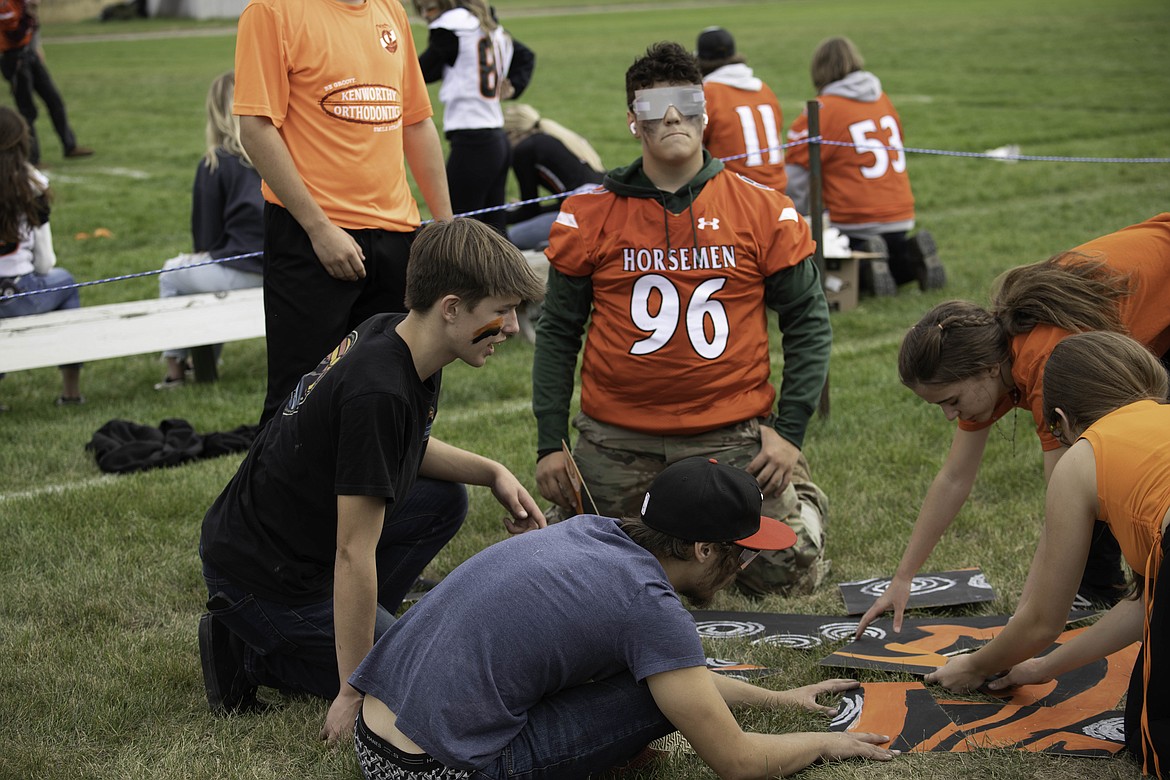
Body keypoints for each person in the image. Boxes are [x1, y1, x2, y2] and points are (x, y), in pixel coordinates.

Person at [197, 218, 548, 745]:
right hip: (267, 577)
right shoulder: (380, 391)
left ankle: (359, 634)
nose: (513, 327)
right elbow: (351, 553)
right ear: (451, 307)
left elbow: (395, 450)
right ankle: (250, 652)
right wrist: (353, 690)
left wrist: (491, 472)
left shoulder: (400, 333)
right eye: (500, 311)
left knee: (443, 500)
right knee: (423, 680)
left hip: (284, 546)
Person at [350, 456, 899, 779]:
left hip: (374, 733)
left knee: (656, 678)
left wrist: (780, 700)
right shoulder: (649, 607)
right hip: (428, 769)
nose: (746, 566)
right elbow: (739, 761)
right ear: (705, 550)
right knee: (653, 696)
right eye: (745, 553)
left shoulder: (588, 531)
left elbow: (680, 678)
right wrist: (825, 743)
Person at [532, 42, 832, 597]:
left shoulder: (762, 208)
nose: (672, 117)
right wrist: (551, 441)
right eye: (654, 107)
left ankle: (804, 498)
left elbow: (809, 323)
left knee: (785, 571)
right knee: (589, 576)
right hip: (618, 436)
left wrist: (787, 433)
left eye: (685, 103)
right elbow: (557, 333)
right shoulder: (591, 212)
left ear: (704, 111)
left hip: (728, 431)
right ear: (632, 121)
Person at [857, 212, 1170, 636]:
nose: (951, 416)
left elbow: (1064, 507)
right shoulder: (996, 361)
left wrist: (1024, 623)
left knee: (1109, 454)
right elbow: (954, 478)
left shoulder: (1047, 364)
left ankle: (1117, 582)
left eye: (951, 400)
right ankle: (1100, 586)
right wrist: (903, 578)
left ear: (987, 370)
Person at [925, 330, 1170, 778]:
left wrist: (976, 666)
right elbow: (1145, 607)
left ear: (1061, 417)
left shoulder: (1083, 456)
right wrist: (1039, 667)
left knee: (1150, 740)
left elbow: (1042, 620)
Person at [233, 0, 453, 426]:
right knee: (299, 403)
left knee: (400, 393)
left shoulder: (389, 9)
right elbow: (255, 128)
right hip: (312, 238)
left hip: (397, 236)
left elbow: (416, 122)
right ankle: (281, 495)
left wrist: (445, 226)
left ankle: (382, 494)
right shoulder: (271, 11)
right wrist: (318, 228)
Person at [784, 36, 943, 295]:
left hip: (855, 218)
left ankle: (869, 266)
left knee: (836, 255)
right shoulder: (882, 98)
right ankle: (908, 257)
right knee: (889, 253)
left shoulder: (825, 109)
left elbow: (796, 171)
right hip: (901, 214)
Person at [154, 71, 264, 390]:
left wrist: (200, 254)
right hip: (282, 267)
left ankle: (175, 370)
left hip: (245, 269)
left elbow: (206, 238)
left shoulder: (216, 162)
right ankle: (203, 361)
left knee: (172, 273)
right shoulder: (274, 155)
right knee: (203, 273)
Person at [413, 0, 534, 235]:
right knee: (494, 230)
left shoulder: (452, 25)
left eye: (430, 8)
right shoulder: (488, 25)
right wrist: (515, 85)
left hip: (473, 139)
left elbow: (421, 71)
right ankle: (504, 273)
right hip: (496, 136)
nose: (428, 15)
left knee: (459, 229)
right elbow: (525, 56)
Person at [0, 105, 82, 405]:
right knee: (67, 283)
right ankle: (71, 391)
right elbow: (45, 262)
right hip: (18, 292)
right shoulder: (33, 184)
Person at [501, 102, 604, 251]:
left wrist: (495, 218)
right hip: (601, 208)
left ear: (512, 133)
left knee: (510, 238)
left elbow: (530, 210)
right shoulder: (555, 137)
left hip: (586, 217)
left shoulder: (524, 150)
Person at [695, 26, 787, 193]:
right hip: (777, 191)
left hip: (735, 194)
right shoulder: (763, 89)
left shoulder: (708, 93)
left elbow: (693, 149)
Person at [0, 0, 93, 165]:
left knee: (54, 100)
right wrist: (28, 13)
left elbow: (31, 29)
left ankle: (69, 146)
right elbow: (16, 33)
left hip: (29, 55)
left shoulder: (20, 5)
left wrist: (36, 45)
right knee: (27, 111)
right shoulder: (5, 4)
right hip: (15, 60)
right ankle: (32, 158)